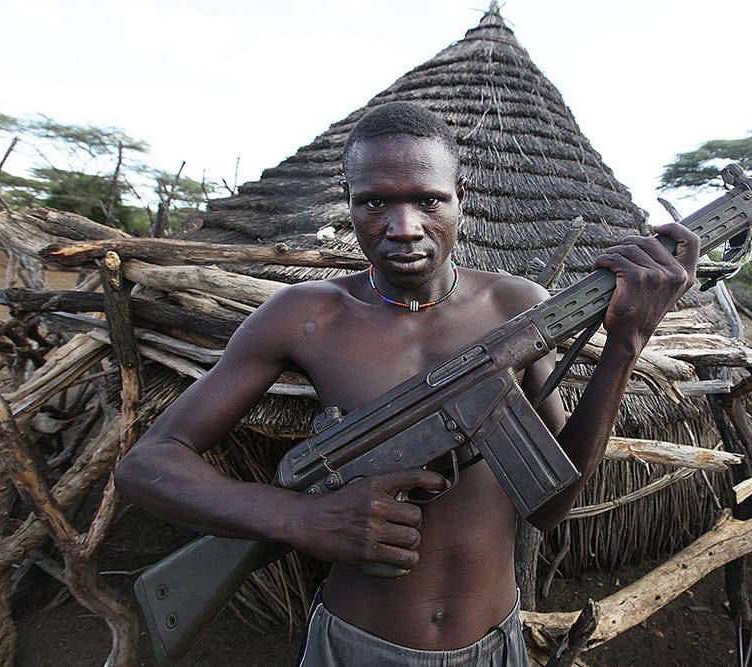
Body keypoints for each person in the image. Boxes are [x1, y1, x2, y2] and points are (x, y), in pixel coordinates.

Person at [115, 101, 699, 666]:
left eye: (428, 199)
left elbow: (549, 508)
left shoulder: (516, 307)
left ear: (460, 201)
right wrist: (296, 519)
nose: (403, 227)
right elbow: (148, 464)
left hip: (497, 643)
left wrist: (625, 346)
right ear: (348, 203)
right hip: (357, 644)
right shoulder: (308, 314)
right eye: (374, 203)